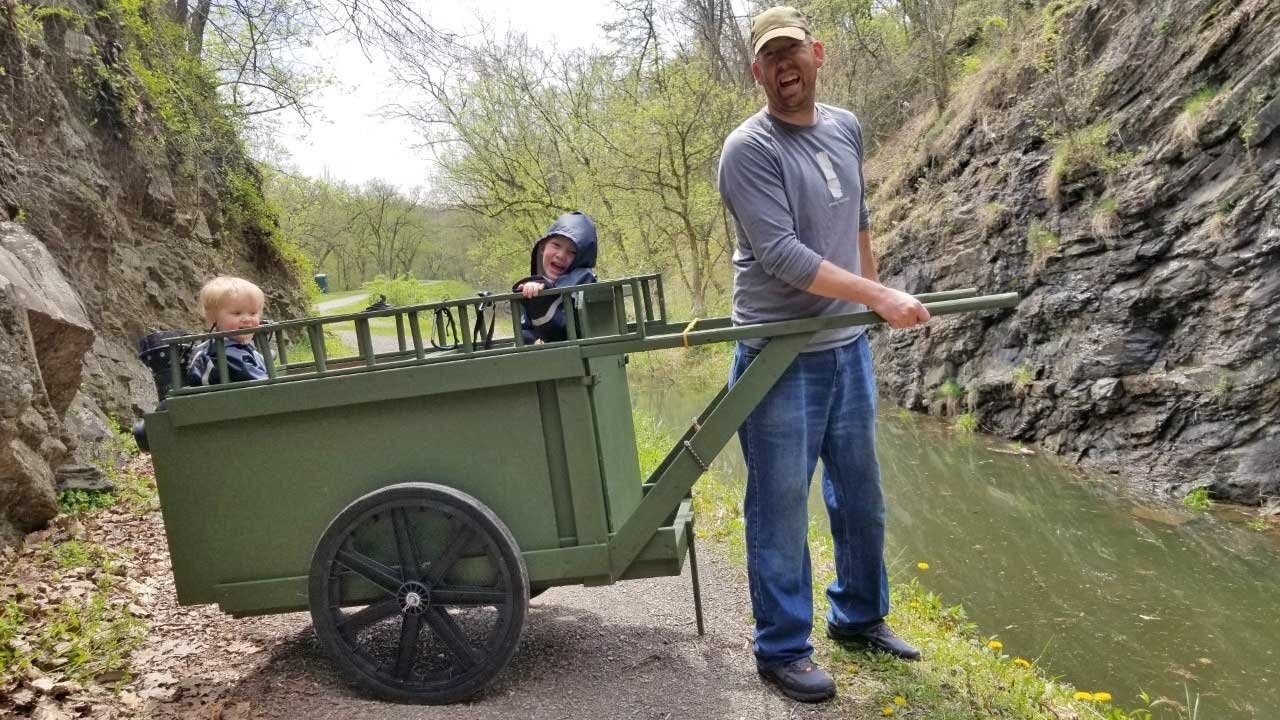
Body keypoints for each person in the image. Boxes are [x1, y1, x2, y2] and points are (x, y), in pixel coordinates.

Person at [717, 6, 933, 704]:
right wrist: (879, 292)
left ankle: (860, 617)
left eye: (793, 54)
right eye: (769, 59)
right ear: (757, 71)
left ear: (818, 53)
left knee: (861, 499)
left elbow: (858, 221)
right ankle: (781, 649)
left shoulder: (845, 126)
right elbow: (782, 255)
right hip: (780, 357)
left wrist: (870, 307)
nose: (784, 68)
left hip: (846, 349)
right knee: (779, 509)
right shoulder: (748, 150)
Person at [511, 211, 599, 344]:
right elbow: (525, 331)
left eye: (572, 252)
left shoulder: (583, 278)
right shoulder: (537, 282)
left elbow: (561, 326)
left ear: (580, 260)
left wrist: (540, 295)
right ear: (542, 248)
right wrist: (532, 342)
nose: (561, 255)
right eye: (556, 245)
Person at [186, 275, 269, 386]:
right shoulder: (227, 352)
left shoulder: (237, 346)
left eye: (253, 313)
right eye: (237, 313)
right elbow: (262, 382)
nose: (247, 319)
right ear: (212, 317)